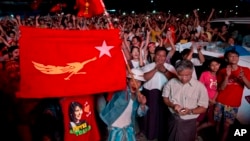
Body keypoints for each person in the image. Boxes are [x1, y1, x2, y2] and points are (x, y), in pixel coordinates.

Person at [162, 60, 209, 141]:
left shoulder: (199, 87)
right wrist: (173, 105)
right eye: (180, 75)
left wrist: (190, 111)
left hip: (188, 122)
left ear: (192, 72)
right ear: (176, 72)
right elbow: (165, 98)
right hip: (173, 118)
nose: (184, 78)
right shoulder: (171, 83)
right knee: (171, 137)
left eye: (187, 75)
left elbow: (204, 108)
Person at [97, 68, 148, 141]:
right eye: (132, 81)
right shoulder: (121, 90)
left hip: (128, 129)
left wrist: (142, 104)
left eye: (138, 82)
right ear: (127, 81)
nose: (135, 83)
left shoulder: (138, 97)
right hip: (114, 129)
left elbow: (140, 114)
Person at [139, 47, 177, 141]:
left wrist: (164, 70)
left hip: (165, 95)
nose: (160, 58)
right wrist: (155, 69)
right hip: (151, 95)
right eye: (158, 55)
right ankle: (150, 134)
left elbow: (174, 80)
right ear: (154, 56)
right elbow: (144, 78)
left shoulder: (169, 67)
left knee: (163, 116)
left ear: (165, 57)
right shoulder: (148, 66)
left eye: (163, 56)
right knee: (151, 116)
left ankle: (162, 135)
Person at [214, 50, 250, 141]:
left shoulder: (245, 70)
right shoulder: (222, 71)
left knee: (227, 126)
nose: (234, 58)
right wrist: (226, 76)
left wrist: (243, 77)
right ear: (226, 59)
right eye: (231, 56)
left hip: (233, 103)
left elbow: (249, 86)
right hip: (220, 101)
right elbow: (220, 88)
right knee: (217, 123)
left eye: (236, 56)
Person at [196, 58, 221, 140]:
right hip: (203, 101)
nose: (214, 67)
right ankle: (193, 134)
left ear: (219, 65)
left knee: (212, 122)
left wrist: (213, 100)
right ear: (209, 66)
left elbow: (219, 89)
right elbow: (200, 88)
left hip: (214, 102)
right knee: (198, 119)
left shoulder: (221, 75)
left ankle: (197, 130)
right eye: (212, 65)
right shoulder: (205, 74)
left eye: (216, 64)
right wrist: (209, 100)